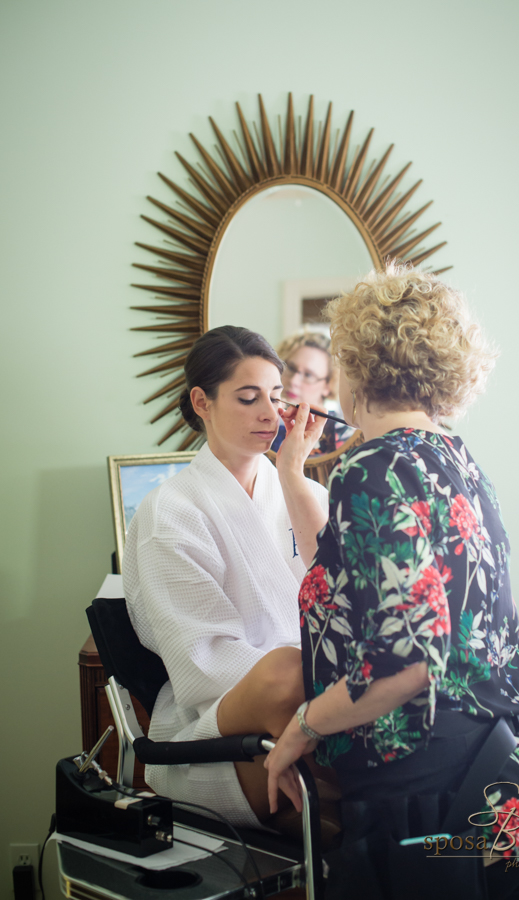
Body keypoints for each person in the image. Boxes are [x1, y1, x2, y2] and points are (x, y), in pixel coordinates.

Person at [264, 266, 519, 899]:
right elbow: (345, 569)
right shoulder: (452, 459)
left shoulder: (372, 467)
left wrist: (301, 728)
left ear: (354, 363)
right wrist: (293, 477)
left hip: (427, 793)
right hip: (499, 769)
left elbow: (405, 661)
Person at [123, 325, 329, 827]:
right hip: (219, 724)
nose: (269, 414)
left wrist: (294, 480)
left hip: (315, 711)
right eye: (247, 397)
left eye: (276, 398)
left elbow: (338, 600)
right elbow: (204, 660)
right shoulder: (169, 512)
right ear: (202, 401)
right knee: (286, 673)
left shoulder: (300, 492)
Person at [271, 331, 354, 456]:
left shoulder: (340, 433)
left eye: (308, 375)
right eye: (291, 368)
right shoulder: (266, 420)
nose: (294, 381)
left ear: (328, 384)